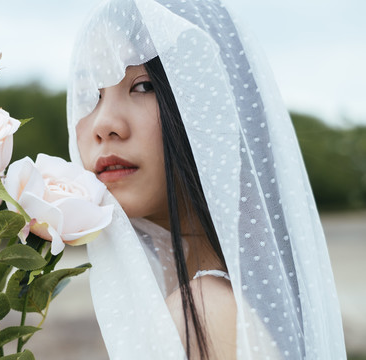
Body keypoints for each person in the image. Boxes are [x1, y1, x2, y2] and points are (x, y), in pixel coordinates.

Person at [66, 0, 347, 359]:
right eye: (92, 93)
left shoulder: (201, 314)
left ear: (210, 107)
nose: (105, 124)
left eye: (143, 86)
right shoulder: (221, 302)